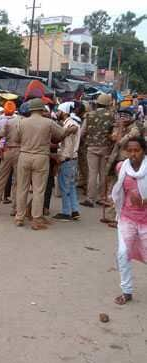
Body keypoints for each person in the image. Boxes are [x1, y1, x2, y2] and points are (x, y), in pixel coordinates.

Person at [14, 98, 68, 230]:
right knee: (39, 189)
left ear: (31, 110)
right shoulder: (48, 122)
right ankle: (36, 218)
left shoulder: (22, 122)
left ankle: (19, 217)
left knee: (22, 188)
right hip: (41, 157)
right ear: (42, 109)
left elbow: (16, 139)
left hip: (24, 156)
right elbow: (61, 134)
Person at [111, 136, 147, 305]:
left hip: (145, 220)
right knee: (123, 253)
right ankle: (126, 291)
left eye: (137, 150)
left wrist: (143, 200)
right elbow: (118, 190)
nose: (133, 154)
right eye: (130, 150)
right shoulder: (121, 167)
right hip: (127, 218)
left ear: (143, 151)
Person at [103, 106, 146, 226]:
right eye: (121, 115)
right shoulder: (124, 127)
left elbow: (120, 141)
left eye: (125, 116)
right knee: (115, 188)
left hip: (130, 162)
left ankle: (119, 218)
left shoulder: (135, 128)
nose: (122, 118)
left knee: (125, 190)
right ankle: (112, 216)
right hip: (118, 161)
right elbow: (113, 138)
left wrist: (120, 128)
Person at [80, 94, 115, 208]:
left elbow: (82, 131)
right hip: (106, 147)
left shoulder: (89, 115)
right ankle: (101, 198)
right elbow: (114, 134)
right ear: (108, 104)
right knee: (103, 173)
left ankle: (90, 199)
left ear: (97, 103)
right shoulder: (112, 116)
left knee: (92, 173)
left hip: (91, 147)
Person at [53, 102, 84, 222]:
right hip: (72, 159)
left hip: (68, 159)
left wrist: (62, 158)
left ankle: (66, 212)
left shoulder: (70, 125)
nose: (57, 113)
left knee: (65, 186)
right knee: (70, 186)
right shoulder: (71, 123)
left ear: (64, 112)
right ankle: (74, 211)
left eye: (59, 111)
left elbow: (69, 146)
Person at [0, 101, 20, 215]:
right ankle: (15, 209)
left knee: (1, 178)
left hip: (6, 151)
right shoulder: (21, 121)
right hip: (19, 152)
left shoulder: (4, 122)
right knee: (18, 181)